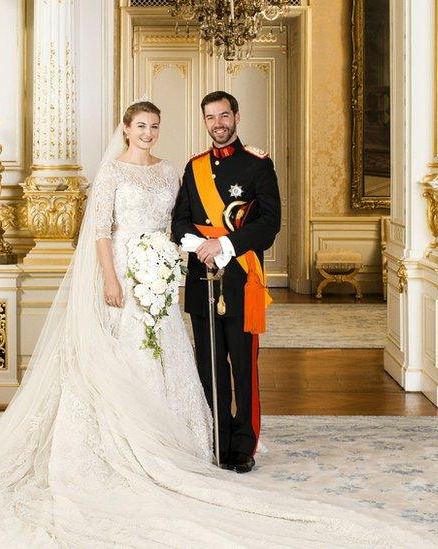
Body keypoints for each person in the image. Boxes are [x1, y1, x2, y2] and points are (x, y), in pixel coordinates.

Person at [0, 101, 428, 548]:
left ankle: (205, 443)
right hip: (124, 274)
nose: (148, 133)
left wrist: (173, 262)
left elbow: (182, 219)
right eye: (140, 125)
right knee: (127, 360)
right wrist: (118, 277)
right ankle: (135, 446)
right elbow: (100, 233)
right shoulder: (116, 170)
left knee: (178, 359)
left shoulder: (182, 169)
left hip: (167, 276)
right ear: (125, 128)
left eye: (155, 125)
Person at [172, 91, 281, 474]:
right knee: (209, 365)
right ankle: (216, 439)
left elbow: (269, 224)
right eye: (210, 118)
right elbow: (179, 220)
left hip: (241, 280)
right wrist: (203, 244)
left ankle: (243, 444)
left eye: (224, 116)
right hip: (202, 280)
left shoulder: (258, 165)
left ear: (236, 116)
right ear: (204, 122)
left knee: (243, 367)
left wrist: (226, 243)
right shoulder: (194, 166)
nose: (218, 124)